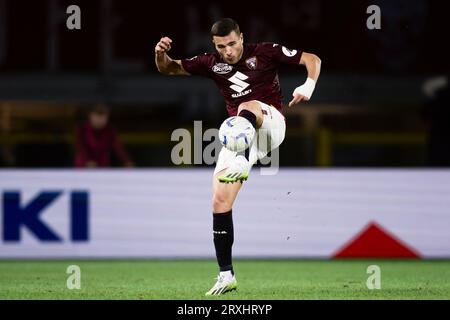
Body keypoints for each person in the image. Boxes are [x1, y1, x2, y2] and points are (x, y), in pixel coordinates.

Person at [155, 18, 321, 295]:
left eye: (232, 43)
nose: (228, 51)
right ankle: (226, 275)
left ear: (241, 37)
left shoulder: (265, 52)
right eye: (222, 46)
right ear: (215, 45)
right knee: (220, 200)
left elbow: (312, 58)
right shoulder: (211, 63)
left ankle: (242, 160)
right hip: (240, 138)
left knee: (248, 105)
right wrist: (160, 54)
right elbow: (170, 69)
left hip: (270, 125)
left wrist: (308, 85)